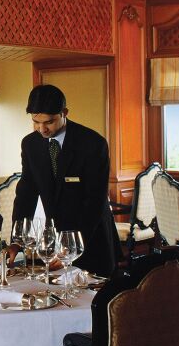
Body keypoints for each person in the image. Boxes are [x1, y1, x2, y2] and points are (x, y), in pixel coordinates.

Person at [12, 84, 121, 277]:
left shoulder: (93, 143)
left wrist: (72, 247)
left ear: (64, 113)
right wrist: (16, 241)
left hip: (91, 239)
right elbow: (26, 194)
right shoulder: (30, 144)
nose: (42, 129)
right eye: (36, 122)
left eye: (49, 122)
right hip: (54, 242)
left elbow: (94, 202)